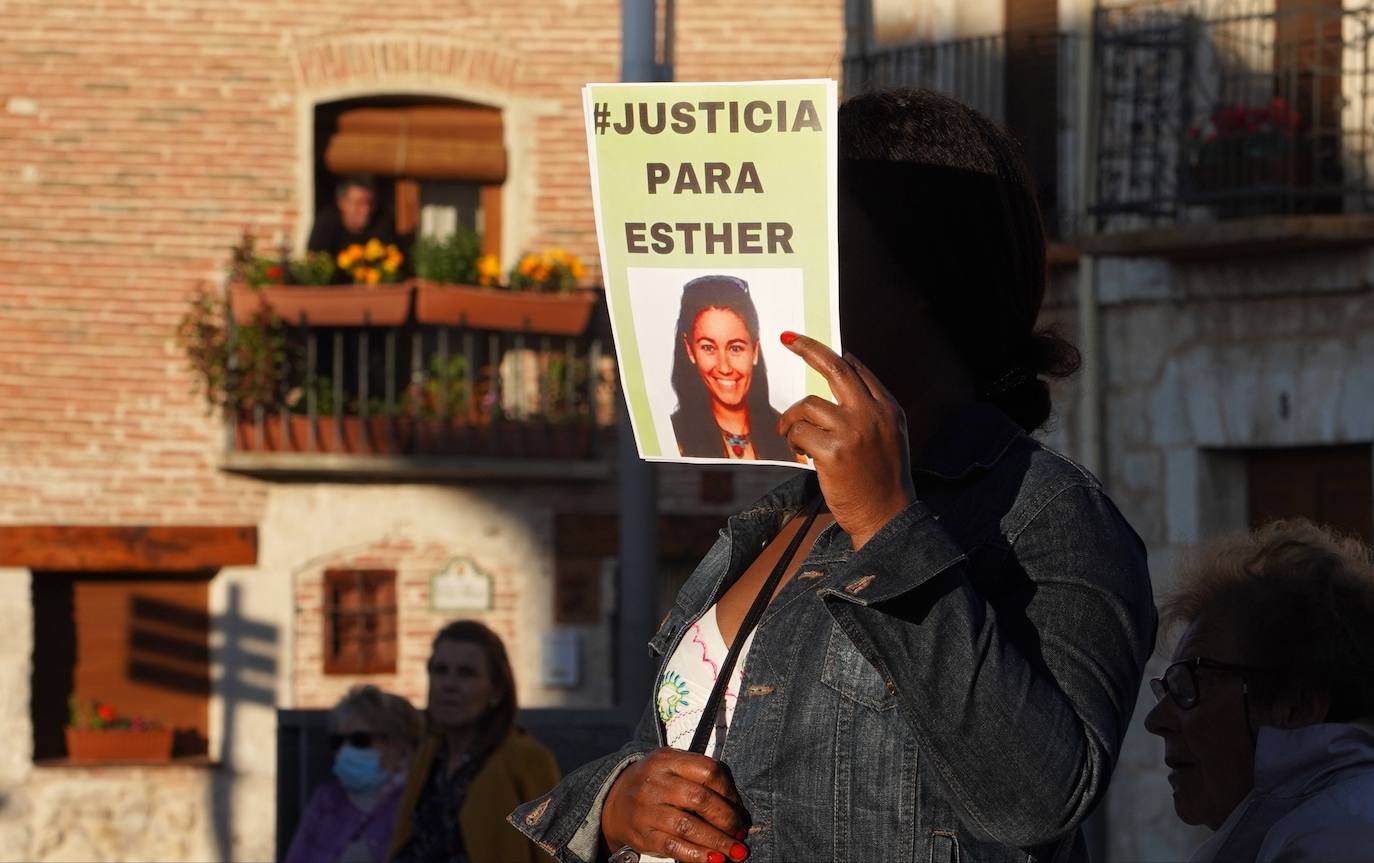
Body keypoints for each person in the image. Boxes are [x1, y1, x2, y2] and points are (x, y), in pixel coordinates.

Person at [510, 88, 1156, 863]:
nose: (776, 272)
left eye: (811, 242)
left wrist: (890, 527)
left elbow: (1039, 802)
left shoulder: (1047, 514)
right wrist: (620, 798)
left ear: (917, 275)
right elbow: (672, 751)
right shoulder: (775, 518)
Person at [1144, 519, 1374, 862]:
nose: (1156, 720)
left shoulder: (1337, 840)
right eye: (1167, 690)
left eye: (1190, 685)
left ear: (1295, 707)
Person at [389, 620, 561, 863]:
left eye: (466, 673)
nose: (448, 685)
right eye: (440, 670)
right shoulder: (428, 754)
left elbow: (549, 853)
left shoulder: (525, 759)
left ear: (496, 691)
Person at [285, 685, 422, 863]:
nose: (345, 750)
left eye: (360, 740)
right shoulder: (326, 799)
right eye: (338, 741)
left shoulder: (418, 803)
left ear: (403, 749)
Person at [669, 275, 797, 462]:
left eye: (735, 348)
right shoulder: (670, 436)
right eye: (708, 347)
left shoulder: (790, 434)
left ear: (754, 350)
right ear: (690, 350)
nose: (724, 367)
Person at [307, 174, 400, 278]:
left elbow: (394, 263)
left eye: (370, 203)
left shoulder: (383, 221)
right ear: (342, 203)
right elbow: (313, 262)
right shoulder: (327, 223)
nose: (366, 210)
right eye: (359, 203)